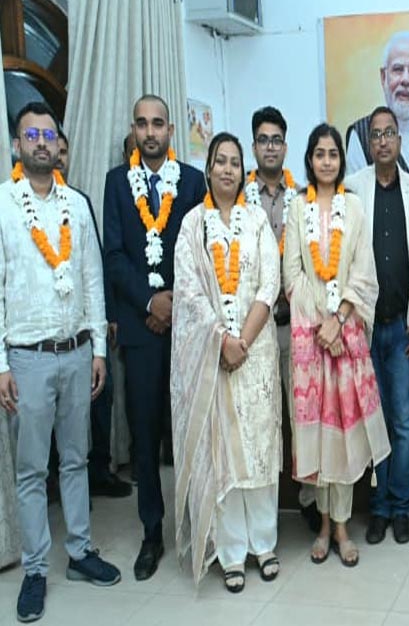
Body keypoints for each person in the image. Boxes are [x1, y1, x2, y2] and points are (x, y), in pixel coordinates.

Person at [2, 102, 120, 623]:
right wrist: (1, 364)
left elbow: (92, 279)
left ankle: (80, 552)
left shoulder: (76, 203)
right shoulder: (4, 205)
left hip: (76, 354)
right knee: (32, 469)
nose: (42, 143)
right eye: (32, 135)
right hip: (26, 358)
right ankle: (34, 570)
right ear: (17, 146)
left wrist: (98, 350)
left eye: (49, 135)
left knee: (76, 459)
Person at [171, 132, 282, 592]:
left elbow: (269, 284)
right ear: (209, 168)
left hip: (255, 357)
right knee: (224, 456)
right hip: (213, 357)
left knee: (259, 450)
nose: (228, 169)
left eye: (235, 162)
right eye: (221, 161)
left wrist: (244, 341)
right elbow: (189, 293)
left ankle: (265, 544)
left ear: (243, 171)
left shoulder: (257, 221)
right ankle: (233, 552)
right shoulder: (192, 226)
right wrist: (221, 341)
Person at [103, 94, 204, 581]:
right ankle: (152, 531)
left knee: (187, 430)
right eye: (142, 123)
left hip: (186, 326)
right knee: (144, 433)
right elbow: (114, 255)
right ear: (133, 129)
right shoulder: (116, 182)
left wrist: (174, 302)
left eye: (158, 123)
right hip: (141, 329)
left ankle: (196, 523)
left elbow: (202, 251)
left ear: (170, 131)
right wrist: (150, 301)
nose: (150, 132)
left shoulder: (193, 181)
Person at [284, 123, 390, 567]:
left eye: (332, 154)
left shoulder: (355, 207)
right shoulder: (297, 209)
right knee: (318, 438)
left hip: (347, 340)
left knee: (344, 435)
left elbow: (365, 274)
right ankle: (323, 525)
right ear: (309, 160)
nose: (326, 161)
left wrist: (340, 318)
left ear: (341, 161)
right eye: (319, 154)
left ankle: (343, 527)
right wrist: (320, 323)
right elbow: (292, 275)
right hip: (311, 342)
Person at [344, 106, 409, 547]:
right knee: (372, 423)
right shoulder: (353, 189)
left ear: (399, 139)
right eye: (375, 134)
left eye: (389, 133)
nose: (382, 141)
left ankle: (401, 507)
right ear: (368, 141)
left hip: (402, 328)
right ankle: (377, 509)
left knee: (404, 422)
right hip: (365, 328)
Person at [244, 106, 321, 533]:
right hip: (255, 332)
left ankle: (308, 498)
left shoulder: (302, 199)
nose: (270, 147)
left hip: (295, 326)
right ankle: (262, 505)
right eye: (263, 140)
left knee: (301, 415)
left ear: (286, 147)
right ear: (254, 146)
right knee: (259, 418)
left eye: (276, 140)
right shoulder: (239, 199)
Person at [55, 128, 131, 499]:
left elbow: (96, 266)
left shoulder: (79, 202)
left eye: (63, 151)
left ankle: (99, 468)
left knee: (103, 395)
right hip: (43, 336)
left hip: (86, 326)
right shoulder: (14, 203)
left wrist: (106, 318)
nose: (58, 157)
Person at [345, 31, 409, 187]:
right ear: (383, 76)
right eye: (398, 69)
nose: (405, 80)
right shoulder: (361, 135)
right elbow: (355, 197)